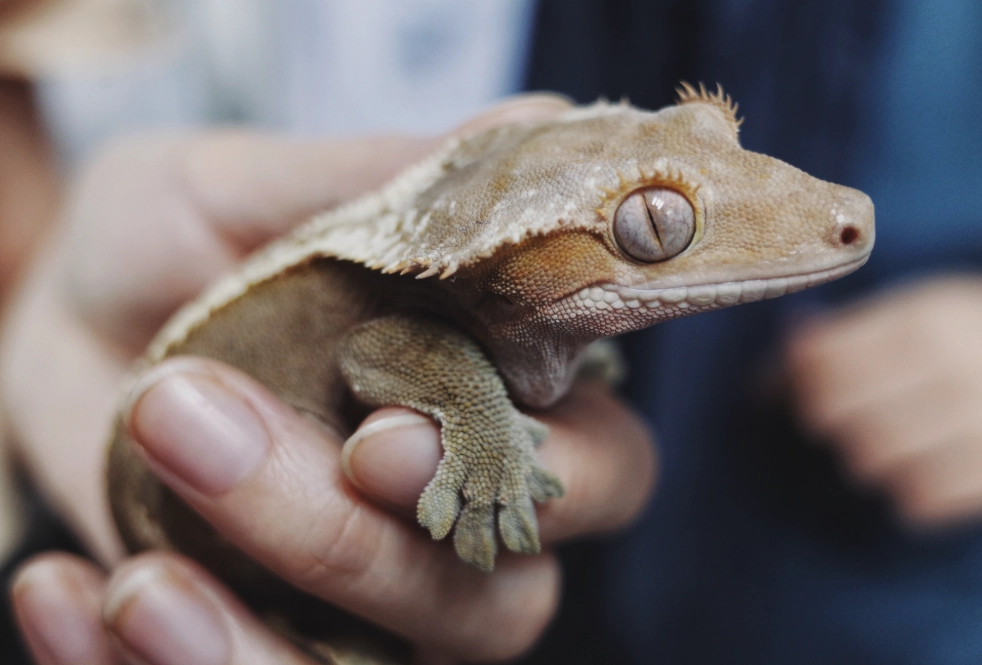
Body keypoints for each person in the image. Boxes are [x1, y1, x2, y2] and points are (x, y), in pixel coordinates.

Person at [4, 1, 982, 664]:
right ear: (512, 270)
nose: (838, 214)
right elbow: (376, 350)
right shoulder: (432, 298)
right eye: (656, 228)